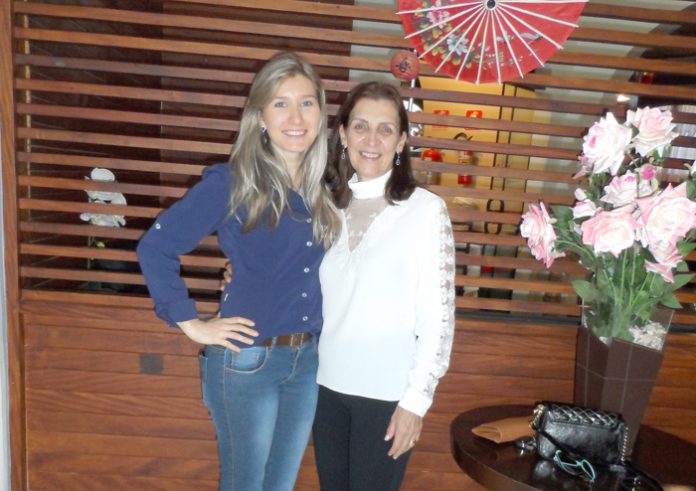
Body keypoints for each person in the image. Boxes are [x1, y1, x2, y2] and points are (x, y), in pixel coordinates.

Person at [136, 52, 341, 491]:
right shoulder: (233, 182)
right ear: (260, 115)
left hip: (307, 361)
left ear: (321, 113)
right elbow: (156, 247)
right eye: (281, 103)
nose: (296, 117)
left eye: (306, 103)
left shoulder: (324, 188)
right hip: (248, 360)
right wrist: (192, 324)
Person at [313, 81, 456, 491]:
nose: (371, 140)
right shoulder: (326, 206)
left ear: (401, 141)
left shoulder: (425, 211)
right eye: (360, 126)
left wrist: (416, 402)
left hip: (387, 396)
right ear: (343, 135)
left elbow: (438, 319)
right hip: (326, 388)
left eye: (385, 129)